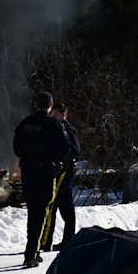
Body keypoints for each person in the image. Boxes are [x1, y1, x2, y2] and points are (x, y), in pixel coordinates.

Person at [12, 90, 71, 269]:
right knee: (41, 211)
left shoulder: (25, 123)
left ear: (36, 104)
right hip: (46, 174)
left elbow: (17, 148)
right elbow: (65, 149)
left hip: (28, 174)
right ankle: (31, 253)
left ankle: (33, 251)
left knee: (32, 211)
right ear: (51, 105)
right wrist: (56, 161)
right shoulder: (54, 123)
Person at [46, 101, 81, 252]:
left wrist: (61, 160)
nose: (53, 117)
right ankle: (69, 240)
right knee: (66, 205)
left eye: (55, 114)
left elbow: (75, 151)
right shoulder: (53, 128)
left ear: (64, 114)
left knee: (53, 203)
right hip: (58, 170)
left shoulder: (68, 130)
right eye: (51, 114)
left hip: (65, 170)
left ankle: (46, 241)